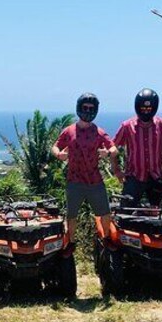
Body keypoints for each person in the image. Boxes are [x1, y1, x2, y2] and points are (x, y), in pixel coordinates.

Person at [51, 92, 116, 248]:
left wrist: (107, 153)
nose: (87, 111)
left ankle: (106, 238)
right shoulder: (69, 131)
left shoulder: (99, 132)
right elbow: (55, 146)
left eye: (91, 108)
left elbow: (114, 148)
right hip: (74, 180)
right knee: (71, 215)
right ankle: (71, 243)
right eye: (85, 107)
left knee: (105, 213)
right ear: (79, 108)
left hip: (95, 180)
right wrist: (58, 154)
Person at [111, 88, 162, 206]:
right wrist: (116, 170)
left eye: (148, 108)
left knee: (160, 214)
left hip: (156, 176)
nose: (145, 111)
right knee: (125, 213)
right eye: (143, 108)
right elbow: (113, 147)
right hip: (134, 177)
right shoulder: (127, 126)